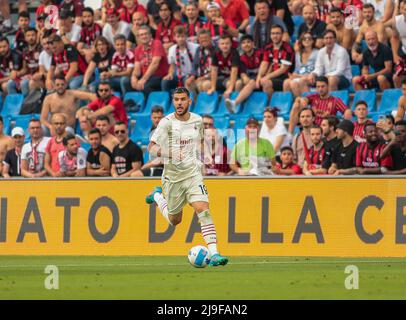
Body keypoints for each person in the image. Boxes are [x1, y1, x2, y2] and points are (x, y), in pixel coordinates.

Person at [145, 87, 228, 266]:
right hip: (173, 178)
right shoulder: (166, 123)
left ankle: (214, 254)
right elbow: (151, 148)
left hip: (192, 174)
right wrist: (170, 154)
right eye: (176, 100)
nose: (179, 103)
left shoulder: (197, 121)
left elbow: (198, 143)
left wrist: (203, 160)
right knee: (175, 220)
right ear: (173, 101)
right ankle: (157, 196)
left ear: (189, 101)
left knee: (203, 209)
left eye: (183, 99)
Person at [224, 34, 265, 111]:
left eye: (248, 42)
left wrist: (259, 79)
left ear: (253, 44)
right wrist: (245, 78)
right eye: (243, 43)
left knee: (252, 82)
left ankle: (235, 103)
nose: (246, 44)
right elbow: (243, 74)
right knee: (239, 83)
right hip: (250, 80)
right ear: (241, 46)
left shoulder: (260, 54)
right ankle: (239, 109)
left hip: (261, 78)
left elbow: (266, 66)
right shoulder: (241, 58)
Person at [256, 24, 295, 99]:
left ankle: (271, 107)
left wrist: (266, 77)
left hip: (285, 77)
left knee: (265, 82)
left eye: (277, 33)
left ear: (282, 35)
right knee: (257, 82)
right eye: (273, 33)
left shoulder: (288, 48)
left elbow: (283, 69)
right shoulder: (268, 48)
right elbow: (264, 63)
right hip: (273, 76)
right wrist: (259, 77)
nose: (275, 36)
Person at [132, 25, 169, 97]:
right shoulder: (137, 49)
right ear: (138, 37)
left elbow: (155, 64)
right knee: (126, 82)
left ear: (150, 35)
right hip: (147, 77)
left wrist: (143, 79)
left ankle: (157, 104)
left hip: (159, 76)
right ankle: (136, 105)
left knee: (144, 86)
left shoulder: (157, 43)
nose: (144, 36)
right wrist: (134, 77)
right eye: (141, 35)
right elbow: (137, 68)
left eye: (146, 34)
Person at [162, 25, 199, 91]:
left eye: (182, 36)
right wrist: (170, 74)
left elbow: (198, 64)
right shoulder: (172, 49)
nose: (181, 39)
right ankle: (170, 100)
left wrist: (192, 76)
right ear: (174, 37)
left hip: (192, 75)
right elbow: (172, 65)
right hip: (179, 75)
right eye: (178, 37)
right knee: (165, 82)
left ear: (186, 36)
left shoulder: (195, 47)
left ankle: (188, 100)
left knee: (188, 83)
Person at [283, 31, 319, 98]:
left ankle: (303, 104)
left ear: (313, 41)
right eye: (304, 39)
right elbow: (297, 70)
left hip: (312, 77)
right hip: (300, 76)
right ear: (301, 41)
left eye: (309, 38)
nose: (307, 40)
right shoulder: (298, 54)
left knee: (294, 83)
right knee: (286, 82)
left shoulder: (317, 53)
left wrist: (299, 77)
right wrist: (293, 75)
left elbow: (318, 69)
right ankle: (291, 104)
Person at [133, 106, 164, 177]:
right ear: (151, 118)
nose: (157, 120)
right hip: (155, 165)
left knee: (135, 175)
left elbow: (163, 159)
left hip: (164, 168)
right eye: (155, 118)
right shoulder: (153, 130)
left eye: (159, 118)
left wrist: (147, 166)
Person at [185, 29, 215, 94]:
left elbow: (217, 69)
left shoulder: (216, 49)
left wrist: (204, 77)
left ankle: (204, 103)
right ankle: (194, 103)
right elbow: (194, 65)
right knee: (188, 82)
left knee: (204, 84)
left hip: (213, 77)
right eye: (201, 38)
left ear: (210, 38)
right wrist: (192, 76)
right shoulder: (199, 49)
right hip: (201, 75)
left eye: (206, 38)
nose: (203, 40)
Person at [44, 113, 68, 177]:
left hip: (67, 178)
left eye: (61, 123)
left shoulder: (71, 140)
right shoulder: (50, 142)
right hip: (54, 178)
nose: (59, 126)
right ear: (52, 125)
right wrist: (54, 174)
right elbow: (46, 164)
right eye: (56, 123)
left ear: (65, 125)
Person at [391, 0, 406, 88]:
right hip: (404, 53)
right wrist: (395, 55)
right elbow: (395, 38)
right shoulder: (396, 21)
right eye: (404, 9)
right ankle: (401, 99)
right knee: (396, 78)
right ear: (400, 10)